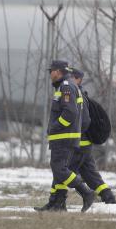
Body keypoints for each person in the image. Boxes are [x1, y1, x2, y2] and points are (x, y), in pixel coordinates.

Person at [35, 60, 90, 212]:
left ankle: (86, 192)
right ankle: (57, 204)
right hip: (64, 137)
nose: (50, 74)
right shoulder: (66, 85)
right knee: (59, 171)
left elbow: (70, 112)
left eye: (51, 71)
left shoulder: (66, 86)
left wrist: (55, 126)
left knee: (59, 169)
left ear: (58, 71)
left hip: (64, 137)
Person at [69, 68, 114, 205]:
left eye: (71, 77)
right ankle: (109, 198)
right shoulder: (79, 95)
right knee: (91, 174)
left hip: (79, 144)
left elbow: (83, 121)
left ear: (78, 80)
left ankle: (61, 200)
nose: (68, 79)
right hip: (84, 145)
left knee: (64, 171)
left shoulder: (77, 97)